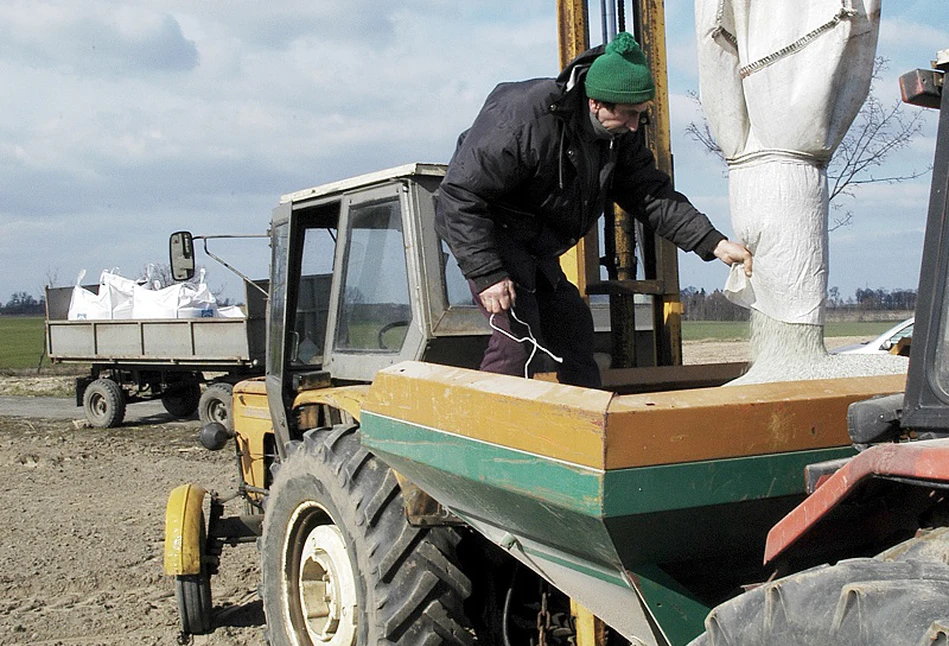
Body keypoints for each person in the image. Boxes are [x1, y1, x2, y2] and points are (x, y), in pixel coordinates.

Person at [435, 32, 752, 388]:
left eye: (640, 115)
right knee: (516, 339)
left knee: (574, 328)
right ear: (596, 103)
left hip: (536, 243)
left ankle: (586, 423)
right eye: (629, 114)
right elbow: (458, 196)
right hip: (491, 234)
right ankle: (487, 432)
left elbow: (651, 195)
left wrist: (714, 244)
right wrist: (488, 273)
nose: (635, 125)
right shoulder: (524, 120)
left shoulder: (618, 137)